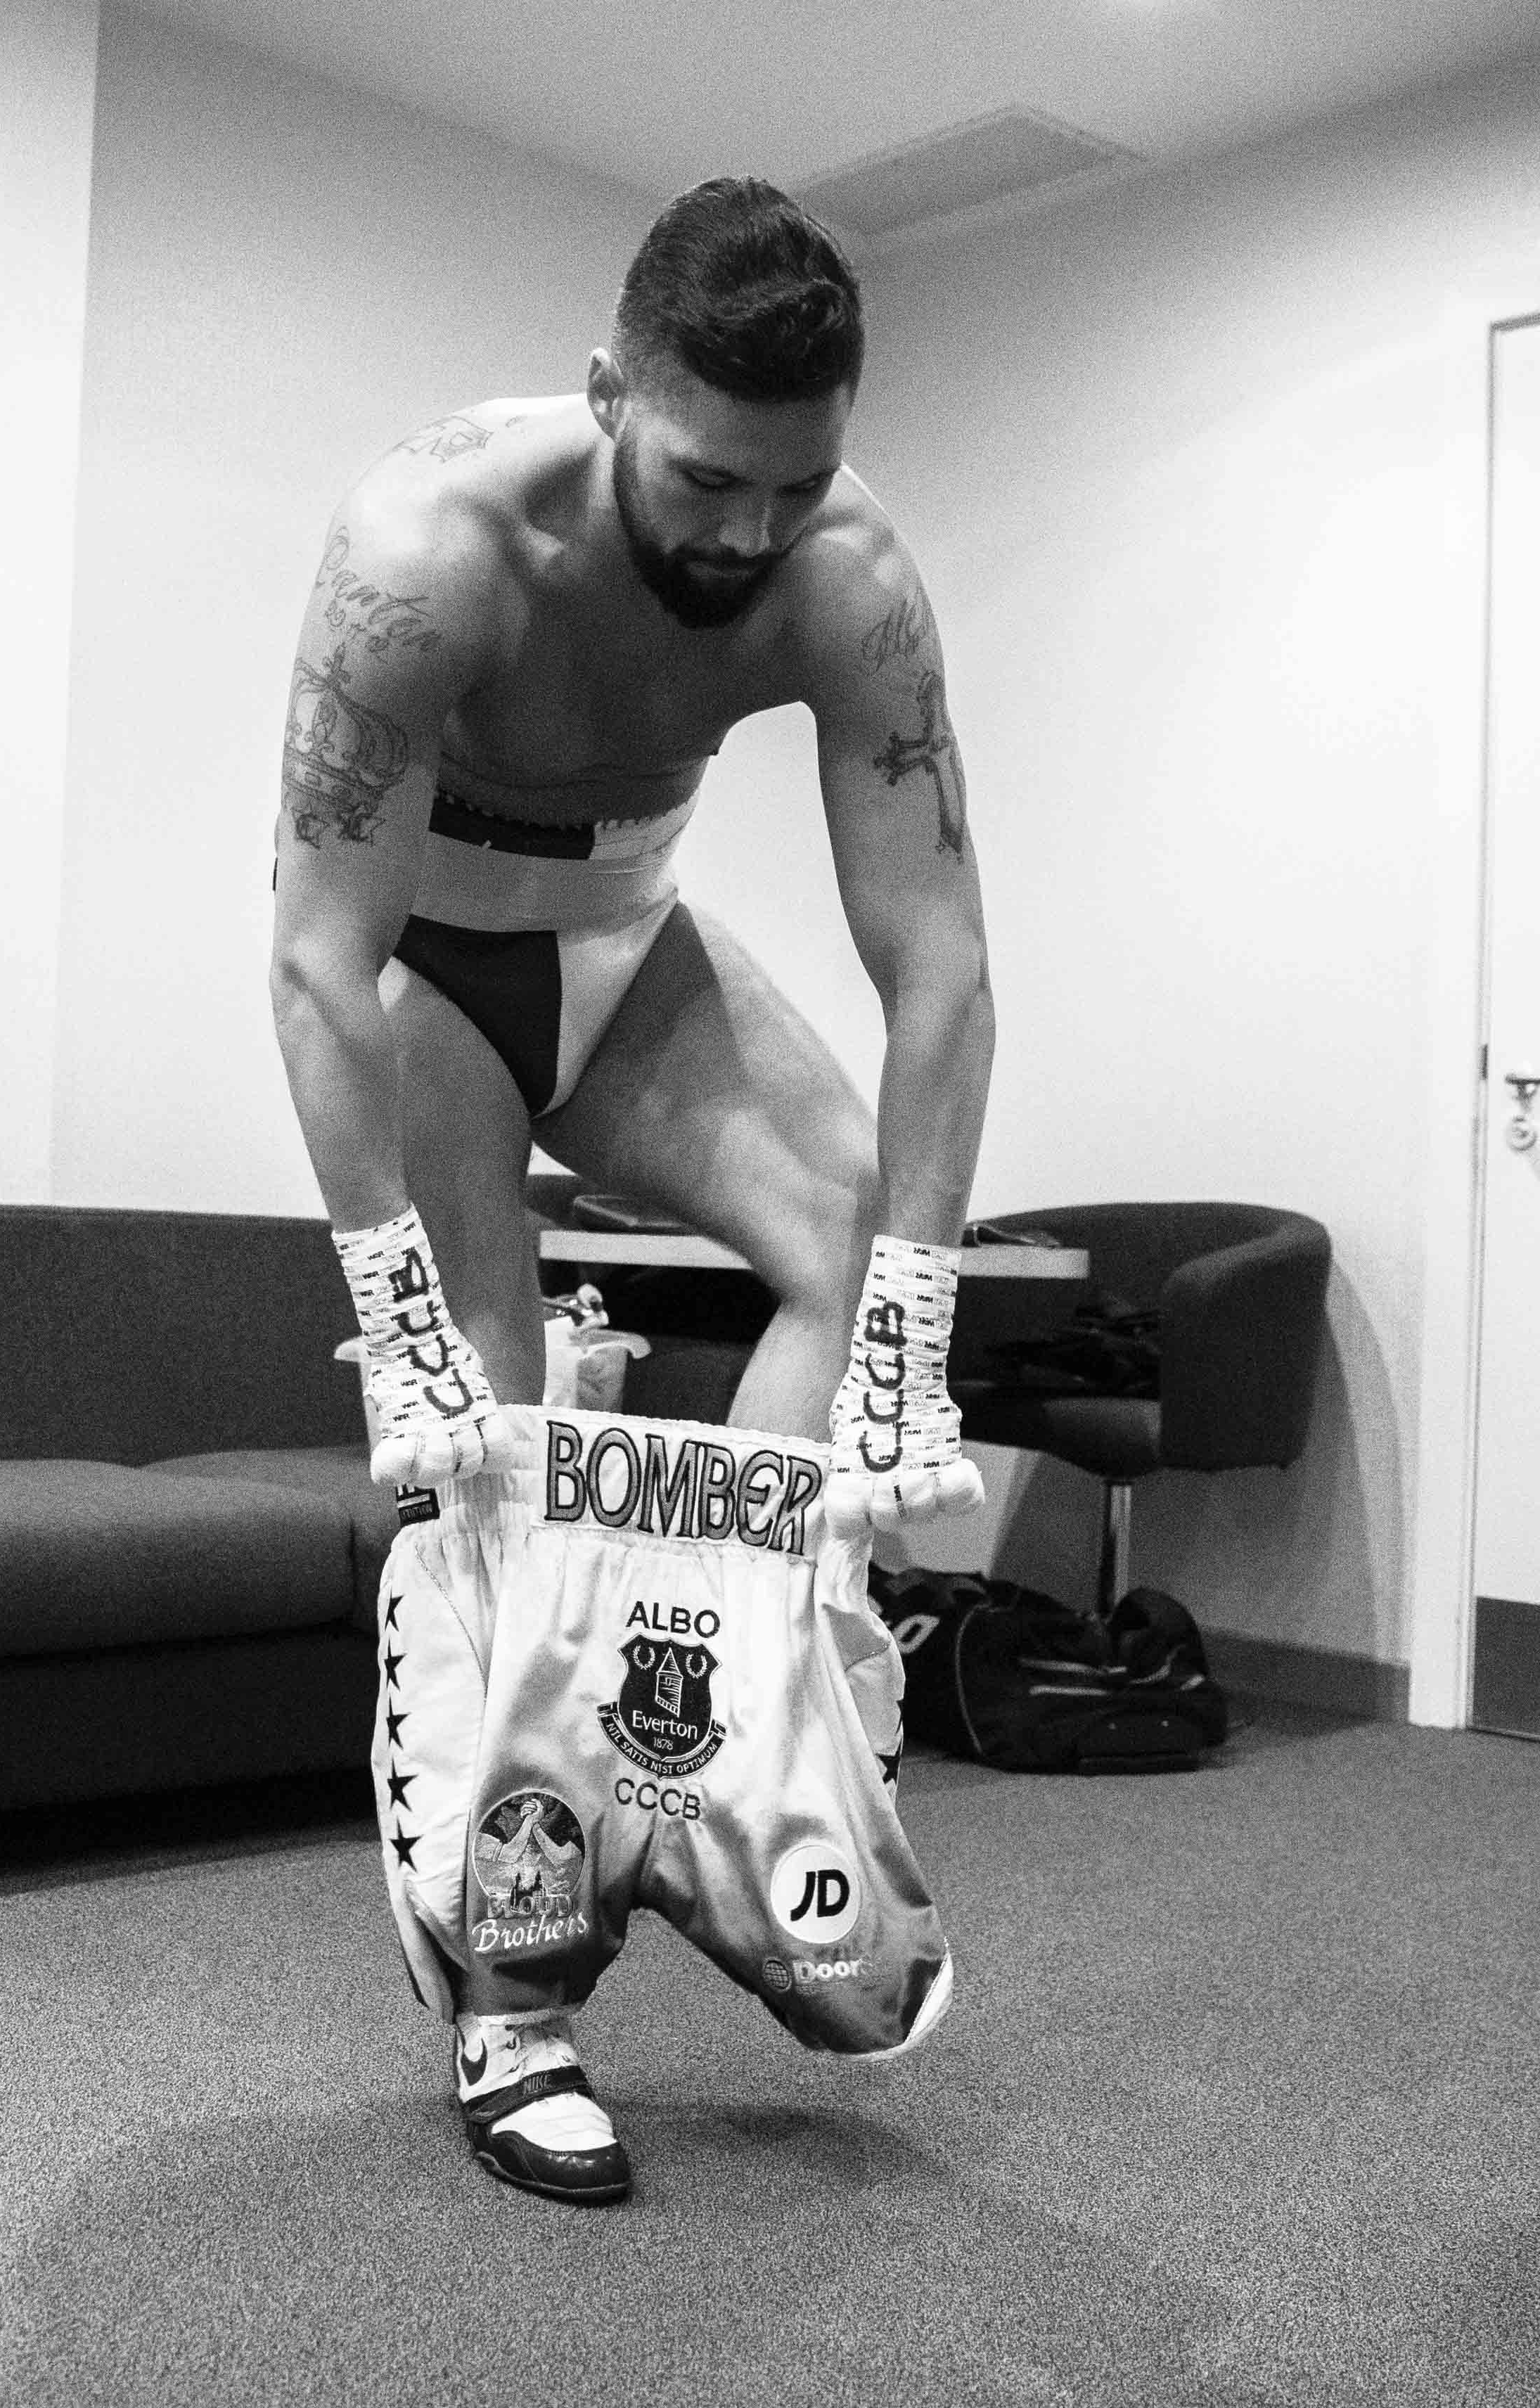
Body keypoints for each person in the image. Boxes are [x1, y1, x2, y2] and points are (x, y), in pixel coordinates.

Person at [267, 179, 996, 2199]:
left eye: (793, 483)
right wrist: (393, 1311)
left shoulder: (846, 573)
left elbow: (938, 965)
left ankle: (735, 1730)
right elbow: (316, 952)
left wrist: (915, 1326)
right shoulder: (427, 545)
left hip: (628, 938)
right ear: (608, 394)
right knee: (491, 1438)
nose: (748, 532)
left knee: (844, 1237)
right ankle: (512, 2008)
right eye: (704, 479)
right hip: (426, 969)